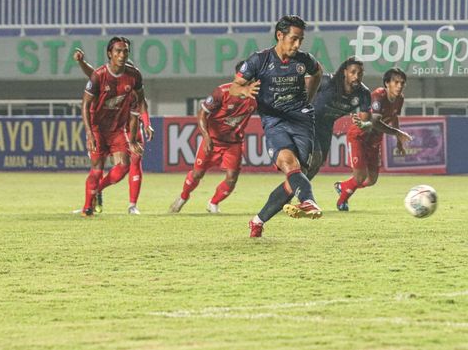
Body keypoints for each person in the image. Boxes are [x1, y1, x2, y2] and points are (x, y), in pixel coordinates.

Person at [229, 15, 323, 238]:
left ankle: (257, 221)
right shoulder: (258, 60)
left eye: (301, 39)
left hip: (302, 120)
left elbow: (317, 72)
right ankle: (309, 201)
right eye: (293, 39)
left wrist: (310, 96)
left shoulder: (304, 60)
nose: (297, 44)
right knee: (289, 165)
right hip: (274, 121)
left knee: (295, 180)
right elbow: (234, 86)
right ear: (280, 35)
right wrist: (244, 91)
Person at [169, 61, 257, 214]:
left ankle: (213, 203)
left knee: (232, 177)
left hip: (234, 143)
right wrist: (206, 137)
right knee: (197, 174)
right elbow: (202, 113)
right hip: (213, 141)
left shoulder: (256, 97)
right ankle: (183, 197)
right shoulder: (222, 92)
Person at [74, 48, 154, 214]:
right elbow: (93, 74)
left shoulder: (134, 90)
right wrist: (81, 62)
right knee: (97, 168)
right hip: (101, 128)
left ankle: (131, 204)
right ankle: (89, 203)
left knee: (132, 161)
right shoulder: (106, 80)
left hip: (123, 128)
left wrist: (146, 125)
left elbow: (139, 111)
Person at [334, 67, 412, 211]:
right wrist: (396, 133)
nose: (399, 86)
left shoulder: (399, 99)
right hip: (360, 136)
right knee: (360, 177)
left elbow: (394, 117)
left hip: (374, 141)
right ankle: (342, 201)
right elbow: (375, 122)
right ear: (387, 83)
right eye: (396, 82)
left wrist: (399, 141)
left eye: (402, 83)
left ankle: (344, 186)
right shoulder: (378, 96)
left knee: (371, 180)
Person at [306, 57, 372, 184]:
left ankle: (293, 191)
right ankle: (295, 190)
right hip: (308, 120)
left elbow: (368, 123)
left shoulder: (363, 93)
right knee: (315, 158)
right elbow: (300, 83)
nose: (356, 76)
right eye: (353, 72)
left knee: (318, 163)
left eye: (360, 73)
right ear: (345, 72)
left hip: (326, 125)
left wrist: (363, 124)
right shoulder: (327, 82)